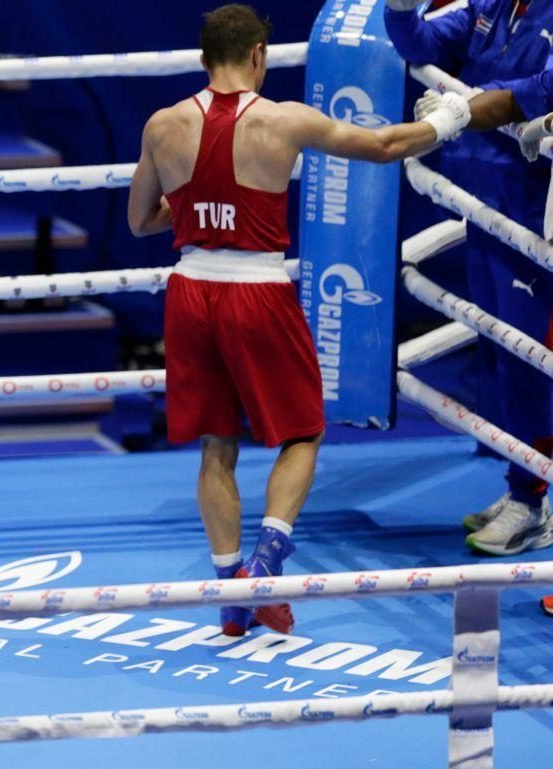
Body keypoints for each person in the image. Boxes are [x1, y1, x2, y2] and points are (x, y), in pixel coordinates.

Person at [127, 3, 471, 636]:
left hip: (191, 288)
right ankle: (268, 559)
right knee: (303, 433)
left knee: (216, 445)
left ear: (205, 59)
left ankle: (232, 591)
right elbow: (382, 145)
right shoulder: (283, 121)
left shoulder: (161, 125)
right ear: (259, 55)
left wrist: (201, 208)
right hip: (255, 291)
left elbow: (140, 221)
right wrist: (451, 118)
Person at [385, 0, 553, 557]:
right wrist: (401, 10)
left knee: (527, 362)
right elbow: (422, 47)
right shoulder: (492, 5)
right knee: (499, 356)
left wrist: (459, 107)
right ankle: (524, 488)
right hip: (486, 205)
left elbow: (536, 91)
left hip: (533, 214)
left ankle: (530, 503)